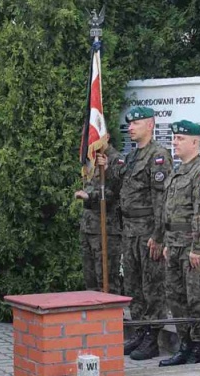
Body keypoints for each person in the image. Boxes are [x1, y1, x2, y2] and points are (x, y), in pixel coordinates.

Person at [97, 106, 172, 360]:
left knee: (152, 285)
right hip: (129, 231)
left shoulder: (158, 156)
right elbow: (118, 179)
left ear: (150, 125)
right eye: (129, 124)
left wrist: (158, 236)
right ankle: (140, 330)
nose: (130, 128)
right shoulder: (132, 157)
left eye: (135, 123)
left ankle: (152, 337)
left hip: (148, 231)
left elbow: (162, 200)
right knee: (134, 284)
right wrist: (106, 162)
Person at [159, 120, 200, 366]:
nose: (175, 142)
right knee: (176, 297)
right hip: (174, 245)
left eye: (180, 139)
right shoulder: (177, 172)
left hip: (193, 247)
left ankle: (199, 348)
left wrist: (198, 248)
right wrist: (167, 242)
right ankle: (184, 345)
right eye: (174, 138)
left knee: (197, 298)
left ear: (195, 142)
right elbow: (170, 212)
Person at [75, 143, 123, 295]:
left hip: (105, 228)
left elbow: (115, 192)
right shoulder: (91, 158)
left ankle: (111, 311)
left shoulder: (116, 159)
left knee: (107, 281)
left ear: (106, 137)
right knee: (91, 282)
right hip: (88, 227)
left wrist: (90, 196)